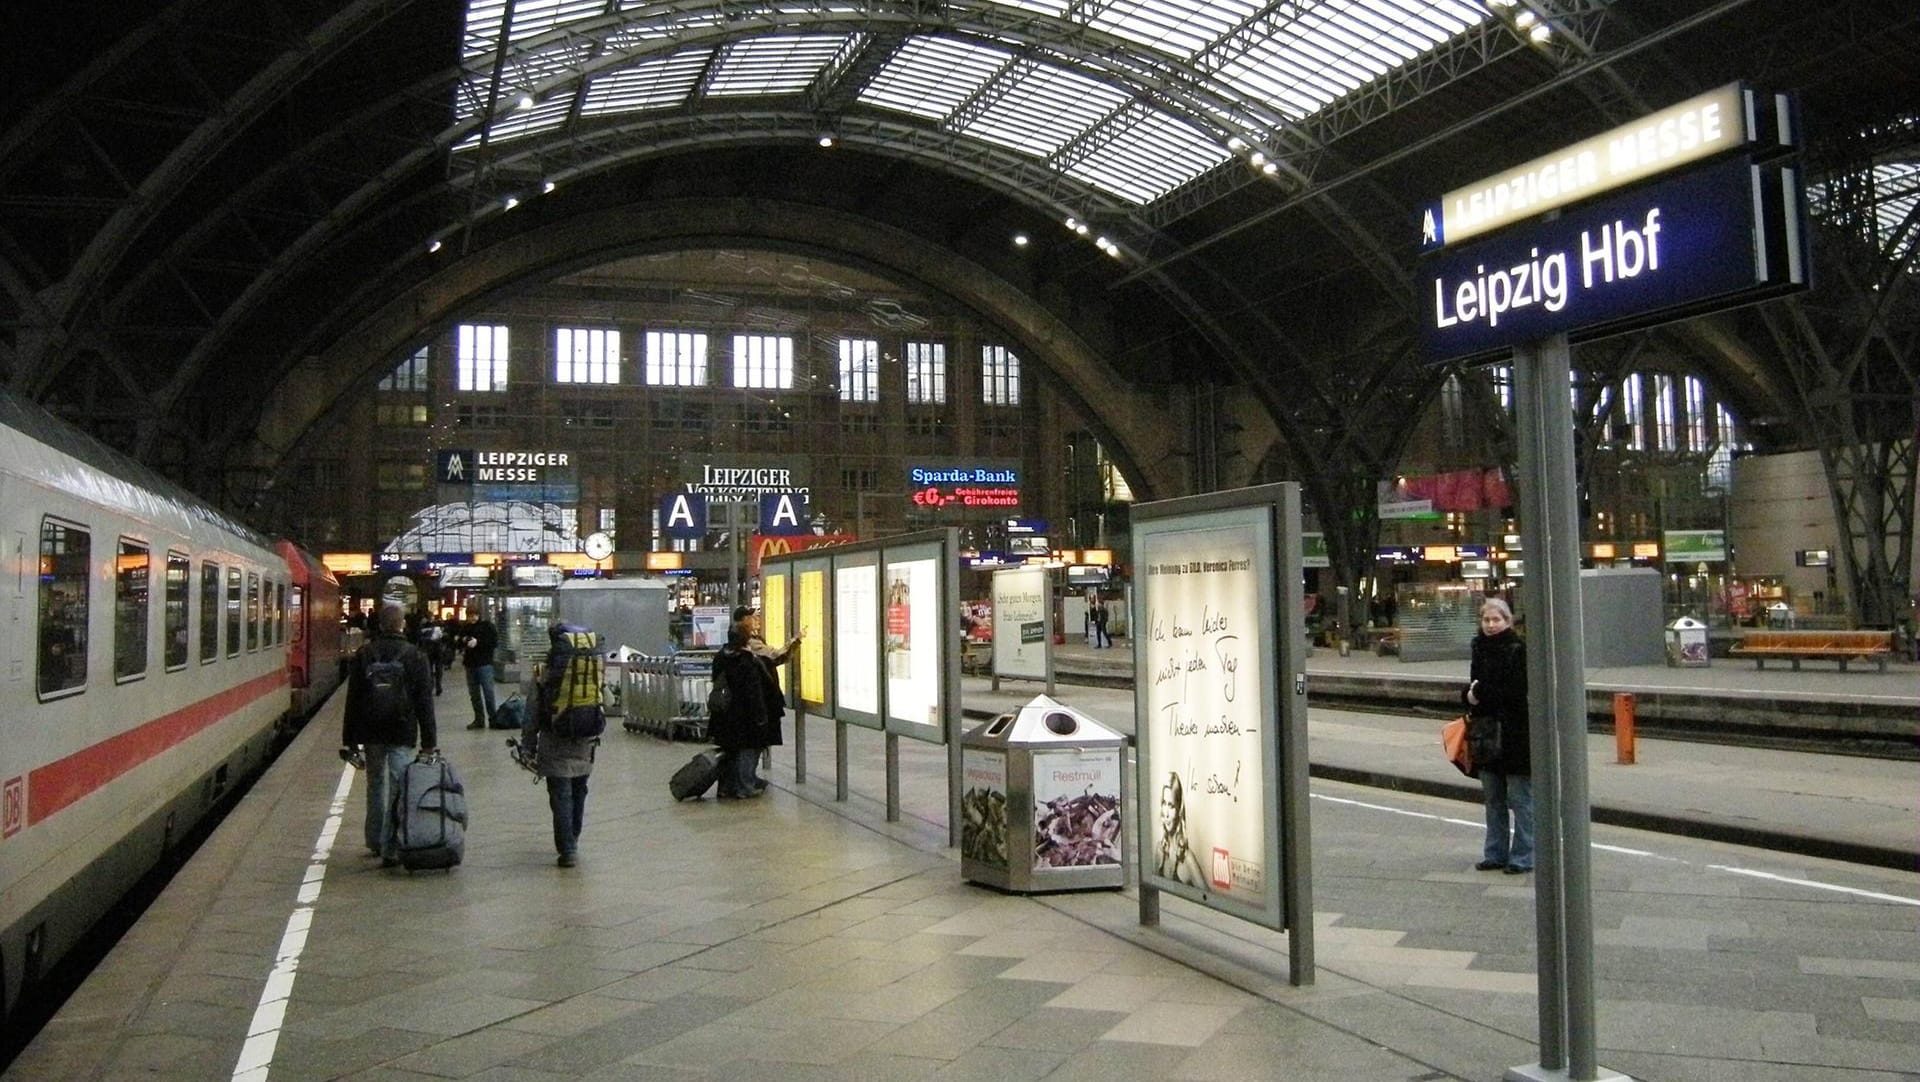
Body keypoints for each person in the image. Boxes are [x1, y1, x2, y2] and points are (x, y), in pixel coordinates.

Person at [340, 603, 438, 868]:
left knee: (375, 785)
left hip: (371, 730)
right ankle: (391, 845)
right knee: (399, 786)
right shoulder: (415, 656)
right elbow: (424, 703)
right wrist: (429, 742)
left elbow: (354, 699)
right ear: (402, 624)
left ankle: (374, 839)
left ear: (380, 625)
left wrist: (349, 739)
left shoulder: (365, 653)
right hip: (402, 730)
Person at [1464, 597, 1532, 875]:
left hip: (1517, 735)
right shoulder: (1479, 648)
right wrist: (1470, 696)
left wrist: (1478, 694)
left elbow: (1515, 693)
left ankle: (1523, 856)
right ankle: (1495, 853)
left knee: (1521, 800)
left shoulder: (1519, 649)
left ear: (1508, 621)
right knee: (1493, 798)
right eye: (1487, 620)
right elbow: (1473, 688)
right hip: (1486, 734)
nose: (1491, 625)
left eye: (1497, 620)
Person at [522, 624, 599, 866]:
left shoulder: (543, 672)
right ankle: (572, 839)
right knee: (579, 791)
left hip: (554, 739)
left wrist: (528, 746)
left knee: (561, 795)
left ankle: (567, 849)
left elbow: (532, 712)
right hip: (584, 740)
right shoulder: (589, 668)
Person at [1153, 772, 1206, 887]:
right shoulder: (1159, 851)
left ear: (1179, 810)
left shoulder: (1187, 859)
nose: (1166, 813)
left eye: (1171, 806)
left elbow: (1210, 898)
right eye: (1164, 803)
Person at [461, 614, 499, 730]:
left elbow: (494, 642)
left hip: (484, 664)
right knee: (474, 694)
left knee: (488, 692)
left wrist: (478, 642)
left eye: (474, 615)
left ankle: (493, 719)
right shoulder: (466, 628)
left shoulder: (487, 626)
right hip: (470, 664)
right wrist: (463, 640)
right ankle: (479, 719)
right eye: (470, 616)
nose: (472, 618)